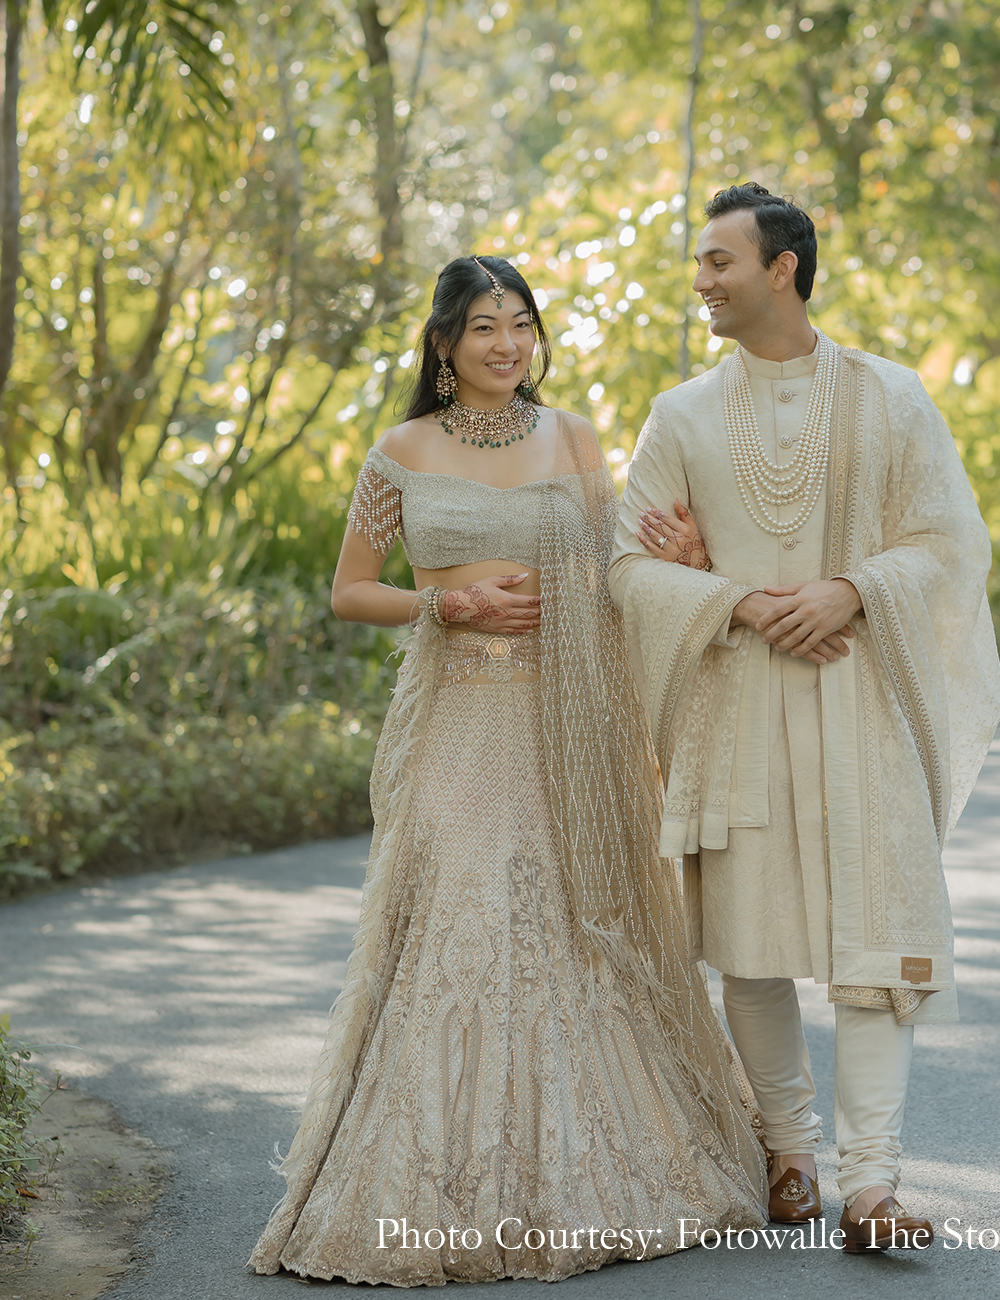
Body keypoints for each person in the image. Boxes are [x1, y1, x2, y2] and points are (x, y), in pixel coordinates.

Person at [248, 254, 767, 1287]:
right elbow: (351, 591)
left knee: (563, 914)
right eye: (483, 327)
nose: (505, 345)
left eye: (520, 325)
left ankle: (590, 1165)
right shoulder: (399, 451)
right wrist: (445, 605)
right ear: (444, 344)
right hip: (453, 716)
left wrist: (683, 564)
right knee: (465, 907)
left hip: (564, 720)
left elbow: (614, 577)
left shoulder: (572, 438)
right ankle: (434, 1176)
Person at [609, 183, 1000, 1257]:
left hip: (859, 703)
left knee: (873, 945)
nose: (700, 282)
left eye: (716, 263)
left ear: (780, 267)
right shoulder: (678, 415)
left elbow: (948, 543)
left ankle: (871, 1187)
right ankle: (787, 1154)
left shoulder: (889, 397)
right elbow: (623, 563)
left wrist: (853, 588)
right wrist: (728, 599)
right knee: (750, 944)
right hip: (733, 705)